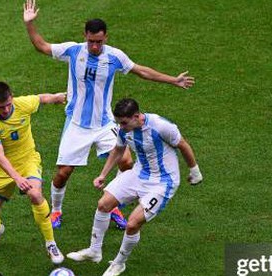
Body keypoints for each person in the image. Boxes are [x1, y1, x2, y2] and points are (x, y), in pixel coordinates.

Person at [23, 0, 196, 231]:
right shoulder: (73, 51)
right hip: (77, 124)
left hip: (105, 124)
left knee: (126, 161)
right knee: (64, 172)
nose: (95, 46)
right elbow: (41, 46)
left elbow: (142, 71)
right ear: (85, 36)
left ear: (106, 37)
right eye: (91, 41)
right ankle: (56, 210)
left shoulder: (115, 57)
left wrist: (173, 80)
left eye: (99, 41)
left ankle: (114, 202)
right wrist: (30, 24)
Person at [66, 98, 202, 276]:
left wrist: (195, 171)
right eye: (119, 123)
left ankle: (119, 263)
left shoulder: (161, 126)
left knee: (132, 223)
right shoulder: (125, 129)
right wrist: (103, 175)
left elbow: (183, 145)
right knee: (103, 204)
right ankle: (94, 251)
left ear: (137, 117)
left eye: (123, 123)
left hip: (163, 182)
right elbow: (118, 150)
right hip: (139, 173)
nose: (120, 127)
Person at [0, 81, 65, 265]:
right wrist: (17, 178)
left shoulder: (22, 104)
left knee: (35, 194)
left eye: (9, 104)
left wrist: (56, 97)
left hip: (27, 161)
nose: (6, 109)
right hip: (0, 169)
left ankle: (51, 244)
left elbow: (41, 99)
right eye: (1, 107)